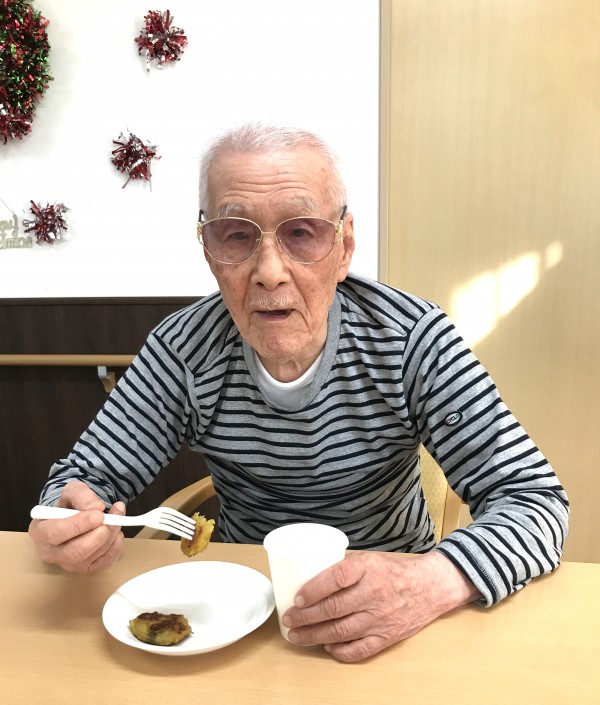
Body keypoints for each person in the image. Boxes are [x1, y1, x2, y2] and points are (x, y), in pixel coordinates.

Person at [28, 123, 569, 663]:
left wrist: (431, 581)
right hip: (243, 615)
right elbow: (80, 482)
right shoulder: (182, 353)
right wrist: (67, 519)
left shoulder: (411, 341)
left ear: (344, 247)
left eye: (302, 233)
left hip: (396, 613)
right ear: (208, 251)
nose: (269, 273)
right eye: (236, 235)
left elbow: (535, 501)